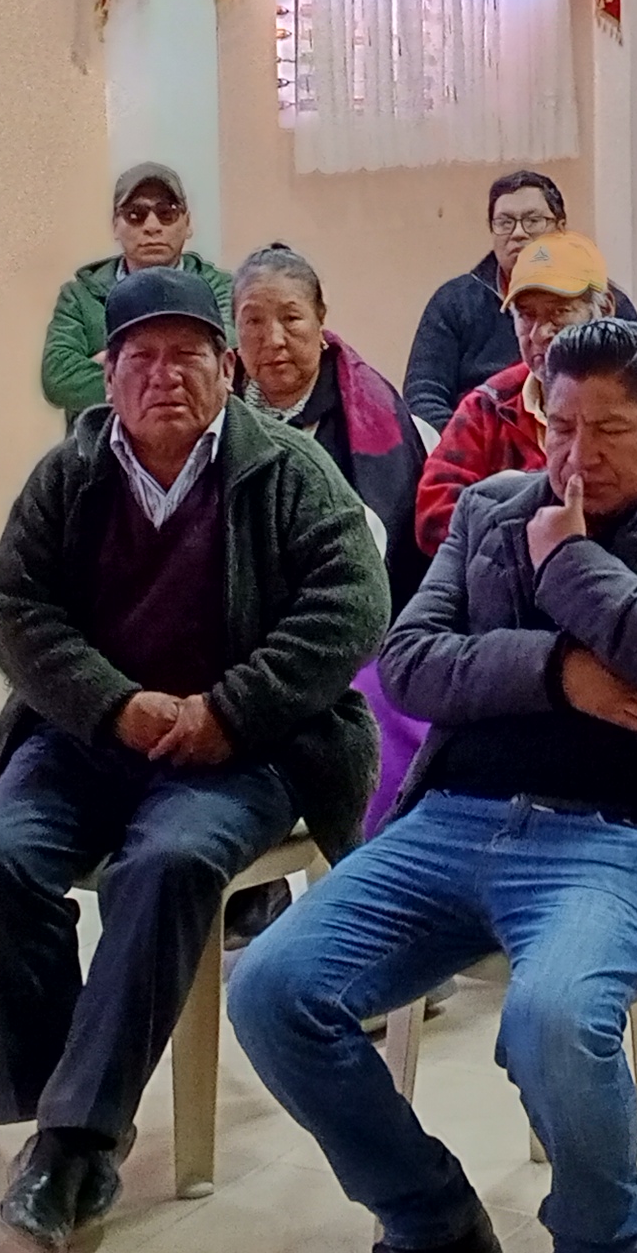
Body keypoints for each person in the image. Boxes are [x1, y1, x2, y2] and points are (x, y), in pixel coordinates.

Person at [230, 319, 637, 1253]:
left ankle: (601, 1238)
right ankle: (430, 1218)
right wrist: (561, 672)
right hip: (453, 823)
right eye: (560, 427)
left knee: (553, 1017)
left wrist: (566, 561)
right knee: (270, 989)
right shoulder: (491, 510)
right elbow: (413, 661)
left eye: (610, 430)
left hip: (619, 835)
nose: (576, 457)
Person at [0, 266, 390, 1246]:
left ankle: (78, 1139)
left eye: (188, 355)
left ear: (227, 368)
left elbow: (351, 609)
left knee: (166, 864)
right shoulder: (70, 476)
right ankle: (57, 1098)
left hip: (247, 749)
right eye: (140, 359)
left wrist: (228, 710)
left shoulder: (286, 470)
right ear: (107, 374)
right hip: (91, 741)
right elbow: (19, 618)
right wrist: (113, 706)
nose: (165, 377)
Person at [231, 242, 436, 836]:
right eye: (253, 320)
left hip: (350, 627)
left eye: (291, 318)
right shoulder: (217, 408)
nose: (273, 339)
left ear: (322, 322)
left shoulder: (367, 410)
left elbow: (384, 553)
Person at [412, 229, 611, 553]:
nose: (541, 333)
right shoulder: (488, 406)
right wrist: (532, 539)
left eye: (560, 312)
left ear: (603, 310)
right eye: (526, 315)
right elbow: (433, 515)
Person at [402, 170, 637, 427]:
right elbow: (424, 394)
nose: (518, 233)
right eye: (505, 222)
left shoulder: (600, 299)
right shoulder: (454, 302)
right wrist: (466, 444)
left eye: (533, 220)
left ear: (561, 228)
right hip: (478, 440)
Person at [43, 163, 235, 427]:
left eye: (167, 213)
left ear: (188, 223)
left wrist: (118, 365)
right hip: (99, 453)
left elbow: (229, 365)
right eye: (136, 215)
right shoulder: (80, 295)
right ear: (115, 226)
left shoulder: (220, 287)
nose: (152, 226)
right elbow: (59, 380)